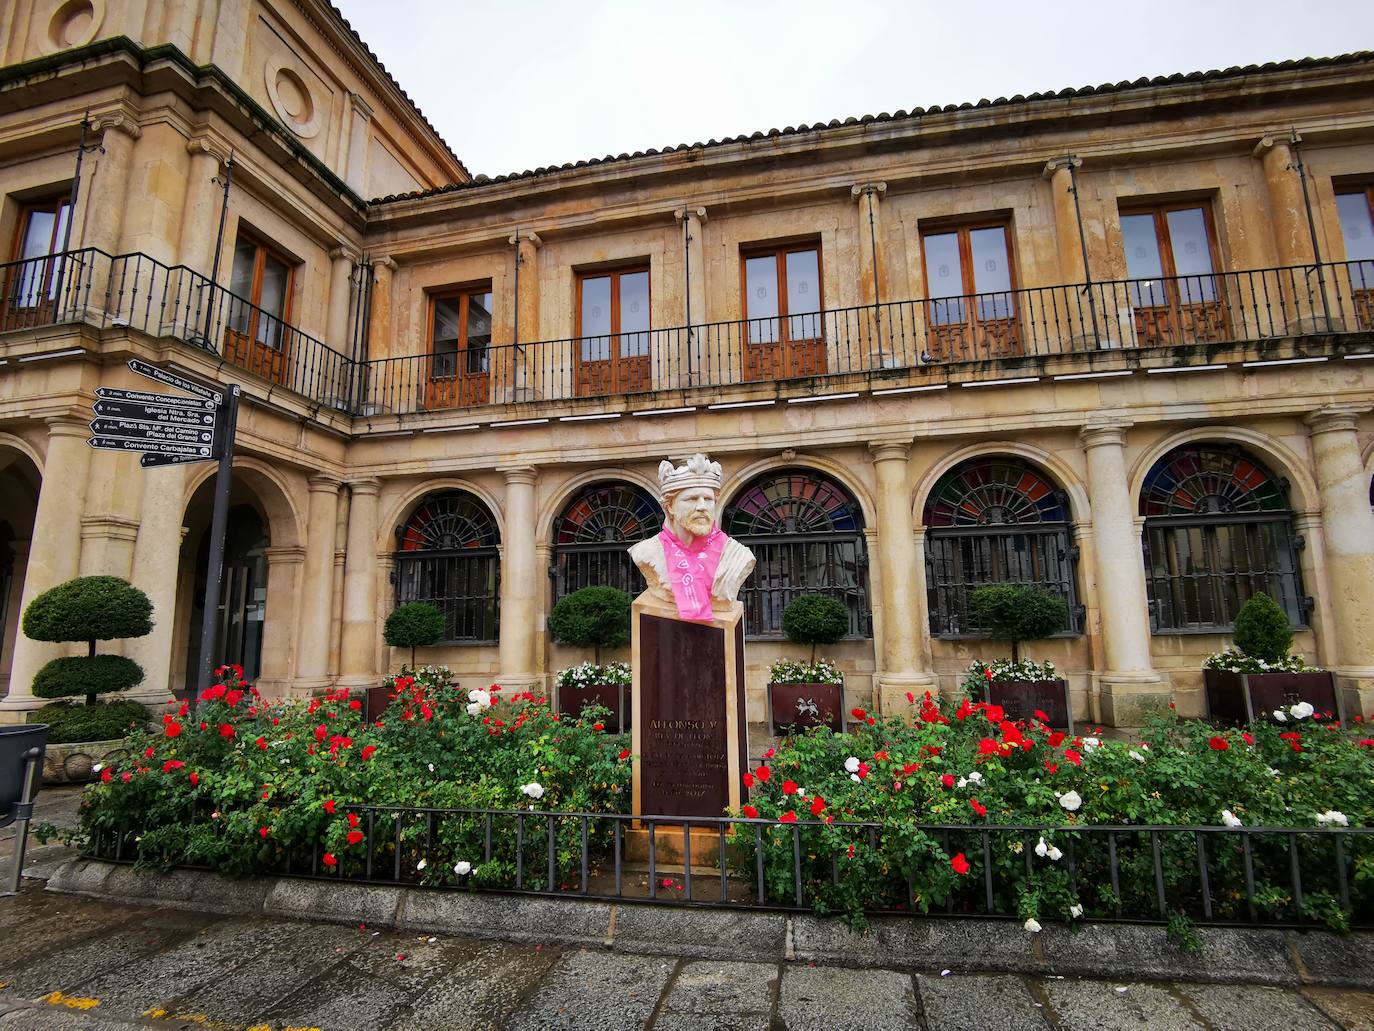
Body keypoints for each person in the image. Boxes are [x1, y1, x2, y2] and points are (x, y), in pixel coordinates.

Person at [629, 453, 755, 621]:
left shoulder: (737, 555)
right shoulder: (646, 552)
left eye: (708, 499)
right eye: (692, 499)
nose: (702, 506)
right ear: (670, 507)